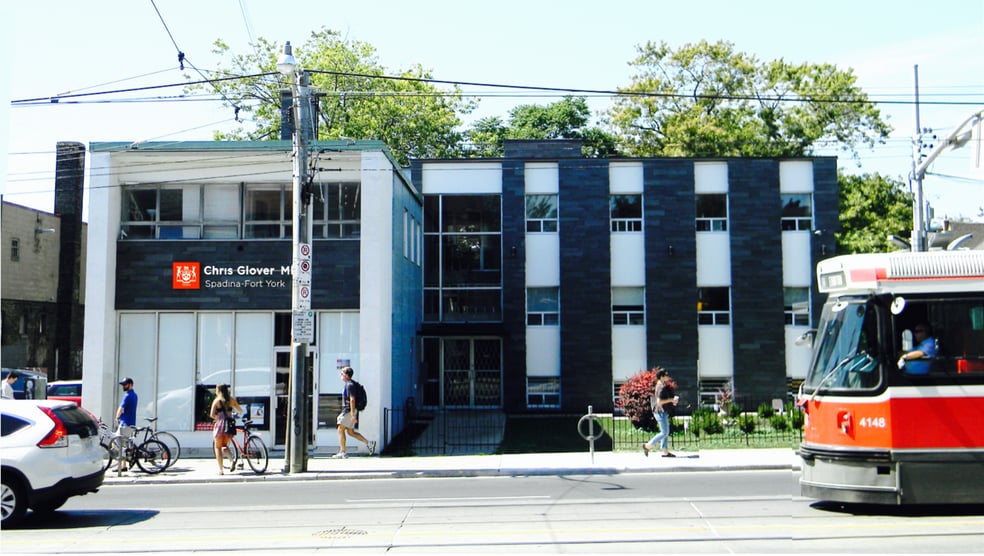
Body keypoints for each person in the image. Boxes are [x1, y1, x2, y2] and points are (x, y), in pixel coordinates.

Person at [333, 366, 375, 459]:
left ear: (347, 375)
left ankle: (342, 452)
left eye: (342, 373)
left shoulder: (349, 385)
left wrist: (352, 414)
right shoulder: (350, 384)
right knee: (350, 432)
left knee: (340, 428)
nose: (341, 375)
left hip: (349, 410)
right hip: (350, 410)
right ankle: (369, 443)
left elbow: (352, 400)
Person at [643, 368, 679, 458]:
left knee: (666, 431)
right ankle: (647, 446)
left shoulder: (662, 385)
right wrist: (671, 400)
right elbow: (659, 402)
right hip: (659, 412)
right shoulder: (660, 387)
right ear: (662, 377)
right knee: (664, 432)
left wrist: (672, 401)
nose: (667, 377)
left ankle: (665, 451)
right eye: (666, 375)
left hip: (662, 411)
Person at [210, 384, 242, 475]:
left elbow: (212, 414)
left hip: (220, 426)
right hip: (229, 427)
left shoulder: (217, 401)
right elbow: (240, 410)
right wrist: (231, 414)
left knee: (218, 447)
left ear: (218, 390)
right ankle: (231, 461)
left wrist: (218, 416)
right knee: (225, 446)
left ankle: (221, 470)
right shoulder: (231, 400)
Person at [114, 377, 138, 470]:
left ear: (131, 385)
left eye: (125, 384)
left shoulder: (127, 396)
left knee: (116, 443)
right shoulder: (134, 395)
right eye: (123, 385)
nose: (123, 386)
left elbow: (121, 408)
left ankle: (122, 464)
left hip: (125, 423)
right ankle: (123, 465)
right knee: (122, 444)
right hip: (130, 423)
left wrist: (117, 417)